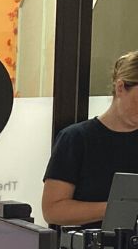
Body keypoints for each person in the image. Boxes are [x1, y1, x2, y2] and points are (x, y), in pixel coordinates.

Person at [41, 50, 138, 229]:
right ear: (120, 88)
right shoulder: (76, 139)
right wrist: (118, 208)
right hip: (88, 245)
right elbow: (52, 210)